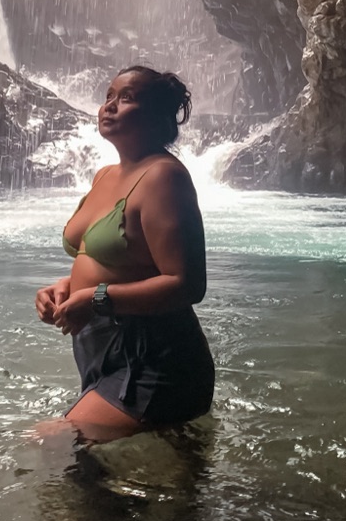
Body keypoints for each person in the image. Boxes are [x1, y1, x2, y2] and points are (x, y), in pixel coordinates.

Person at [35, 66, 214, 441]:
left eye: (126, 98)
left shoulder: (164, 177)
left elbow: (187, 284)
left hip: (154, 360)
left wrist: (96, 298)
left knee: (54, 446)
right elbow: (122, 261)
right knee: (94, 482)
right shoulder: (104, 176)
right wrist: (67, 286)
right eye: (108, 97)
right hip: (104, 356)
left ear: (157, 115)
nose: (109, 106)